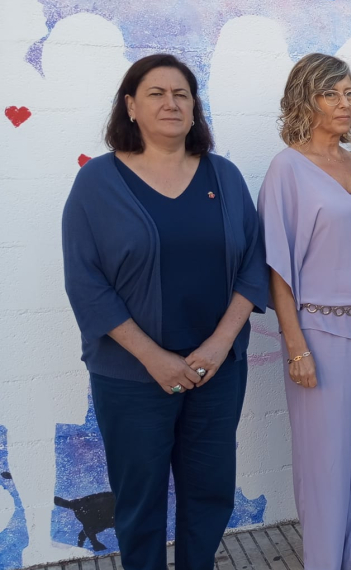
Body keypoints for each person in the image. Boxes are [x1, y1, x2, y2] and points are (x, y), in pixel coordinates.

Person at [61, 53, 267, 570]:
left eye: (181, 94)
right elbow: (86, 283)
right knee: (140, 503)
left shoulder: (224, 175)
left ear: (194, 108)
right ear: (130, 106)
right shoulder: (98, 183)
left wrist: (219, 345)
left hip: (215, 372)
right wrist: (154, 358)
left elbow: (253, 264)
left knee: (210, 492)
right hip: (131, 376)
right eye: (156, 93)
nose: (171, 103)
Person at [258, 53, 351, 570]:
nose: (345, 104)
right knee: (325, 459)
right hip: (319, 331)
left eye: (350, 93)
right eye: (331, 94)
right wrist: (296, 347)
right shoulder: (286, 169)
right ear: (305, 99)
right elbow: (278, 269)